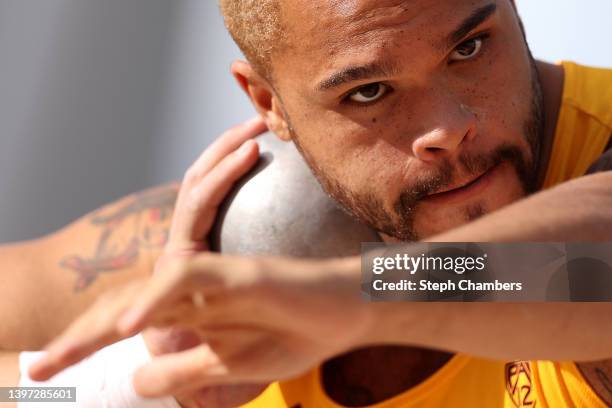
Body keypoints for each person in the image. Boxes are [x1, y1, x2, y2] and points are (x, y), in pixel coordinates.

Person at [3, 0, 612, 406]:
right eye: (369, 91)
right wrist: (137, 380)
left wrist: (358, 296)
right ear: (267, 103)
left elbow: (590, 265)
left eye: (471, 49)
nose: (447, 128)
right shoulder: (233, 237)